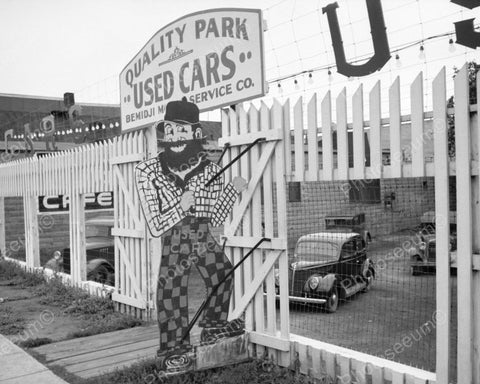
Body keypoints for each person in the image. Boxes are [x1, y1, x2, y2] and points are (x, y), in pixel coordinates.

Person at [135, 97, 247, 366]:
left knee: (223, 274)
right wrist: (181, 205)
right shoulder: (148, 171)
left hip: (200, 233)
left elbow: (215, 216)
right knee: (171, 289)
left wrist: (232, 191)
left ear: (196, 134)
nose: (175, 138)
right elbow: (156, 224)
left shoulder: (211, 171)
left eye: (181, 130)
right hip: (174, 236)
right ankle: (173, 351)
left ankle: (212, 328)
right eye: (170, 131)